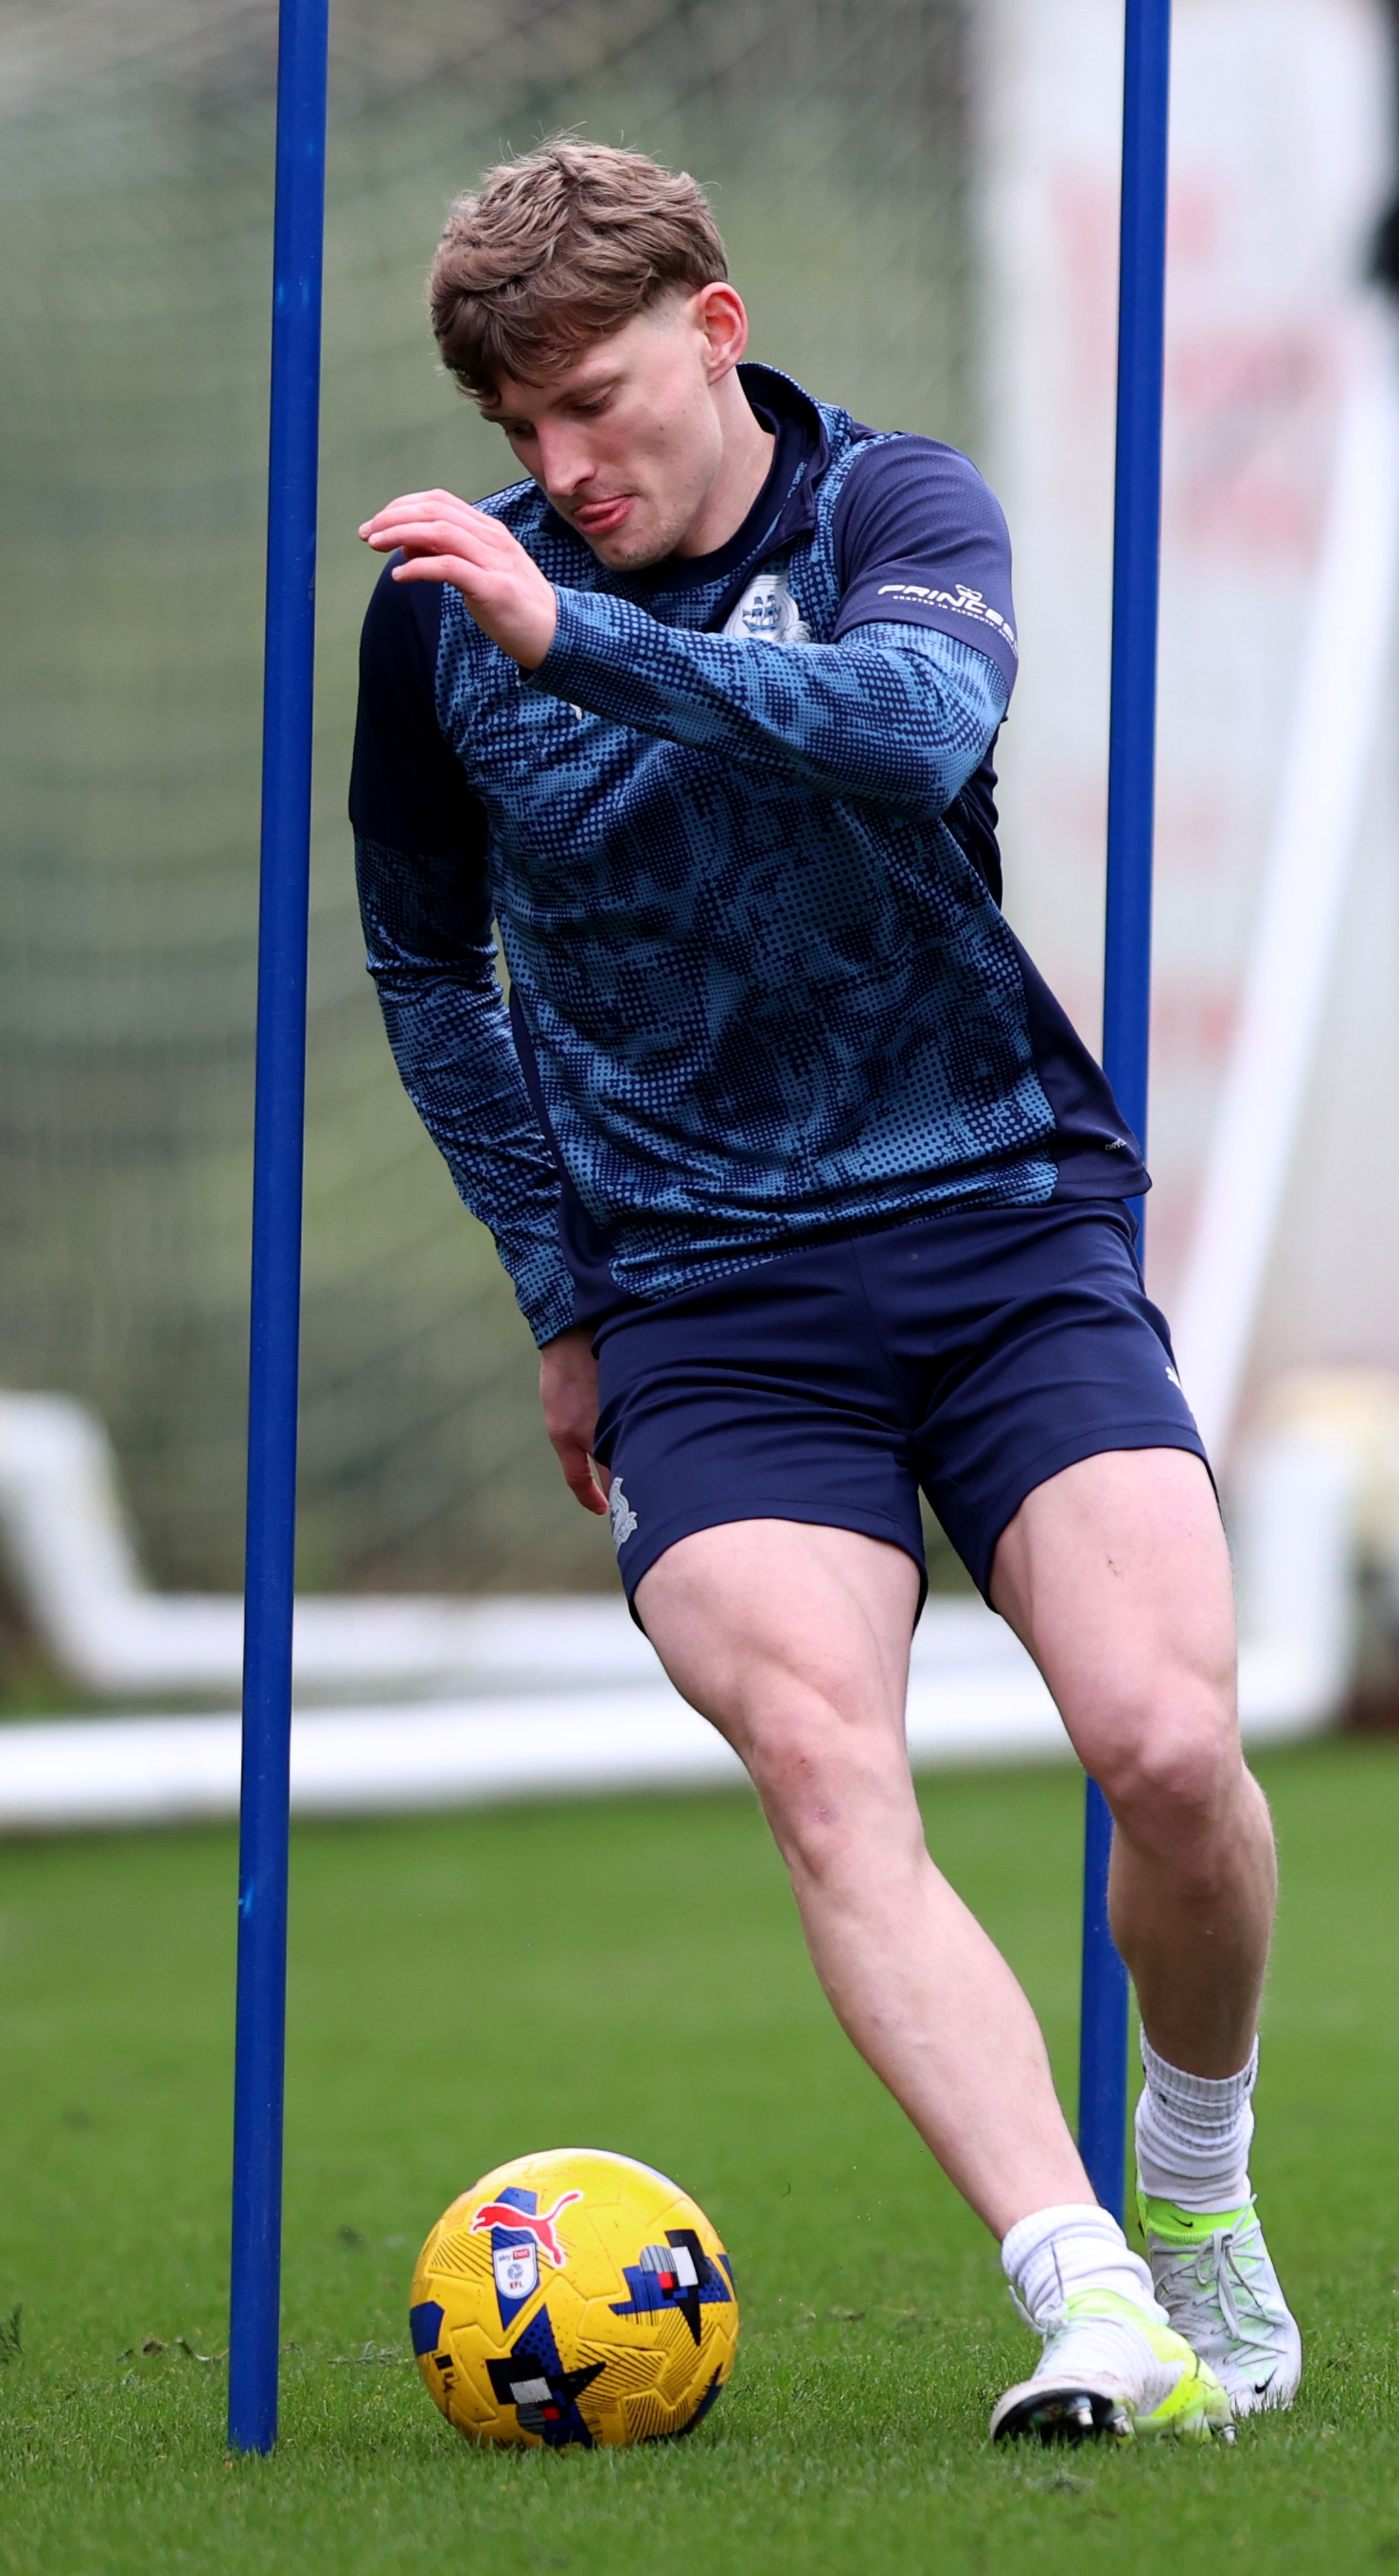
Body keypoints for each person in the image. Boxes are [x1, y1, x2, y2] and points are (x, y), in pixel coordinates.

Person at [349, 141, 1295, 2444]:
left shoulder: (891, 508)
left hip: (998, 1226)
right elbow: (425, 963)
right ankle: (1085, 2293)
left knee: (1166, 1749)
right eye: (518, 429)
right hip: (700, 1303)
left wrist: (580, 641)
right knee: (820, 1760)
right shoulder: (443, 619)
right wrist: (559, 1289)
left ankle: (1193, 2185)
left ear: (714, 328)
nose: (561, 465)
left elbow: (910, 730)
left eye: (591, 401)